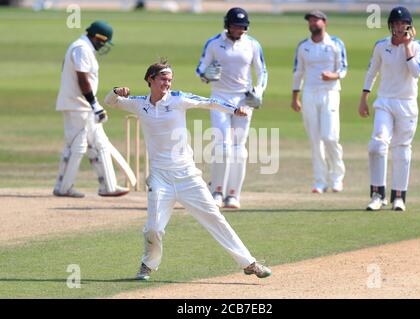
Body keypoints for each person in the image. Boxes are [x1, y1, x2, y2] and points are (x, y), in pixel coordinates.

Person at [104, 61, 272, 280]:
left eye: (170, 79)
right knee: (153, 229)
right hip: (160, 177)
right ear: (150, 79)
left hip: (187, 176)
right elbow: (110, 102)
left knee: (215, 218)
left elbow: (209, 102)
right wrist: (116, 91)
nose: (167, 83)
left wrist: (233, 109)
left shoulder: (178, 99)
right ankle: (147, 265)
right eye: (163, 79)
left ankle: (249, 263)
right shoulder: (139, 104)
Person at [196, 7, 268, 209]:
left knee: (238, 149)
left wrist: (258, 92)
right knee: (222, 146)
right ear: (227, 25)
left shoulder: (252, 44)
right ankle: (217, 191)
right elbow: (200, 70)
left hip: (244, 100)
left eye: (243, 27)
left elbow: (262, 72)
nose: (239, 30)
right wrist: (207, 75)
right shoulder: (214, 44)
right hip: (219, 98)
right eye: (236, 26)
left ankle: (233, 194)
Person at [359, 6, 420, 212]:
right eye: (395, 23)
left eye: (402, 23)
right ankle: (378, 194)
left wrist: (406, 46)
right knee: (377, 144)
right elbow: (372, 72)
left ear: (408, 25)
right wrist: (364, 98)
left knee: (402, 149)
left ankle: (399, 196)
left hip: (407, 103)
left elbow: (416, 72)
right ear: (390, 25)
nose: (398, 27)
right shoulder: (381, 46)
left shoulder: (418, 46)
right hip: (385, 101)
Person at [53, 21, 129, 198]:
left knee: (100, 143)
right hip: (77, 105)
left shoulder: (83, 48)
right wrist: (94, 105)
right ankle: (63, 187)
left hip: (83, 104)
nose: (103, 45)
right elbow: (82, 79)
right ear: (96, 37)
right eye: (102, 42)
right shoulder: (81, 48)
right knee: (77, 146)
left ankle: (108, 186)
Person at [291, 10, 347, 194]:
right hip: (309, 93)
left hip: (330, 92)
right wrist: (295, 97)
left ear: (325, 22)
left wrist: (333, 75)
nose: (313, 23)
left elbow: (343, 68)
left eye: (316, 20)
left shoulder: (335, 44)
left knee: (330, 137)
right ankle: (320, 181)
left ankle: (337, 177)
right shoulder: (303, 46)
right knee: (315, 140)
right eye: (310, 20)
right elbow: (298, 72)